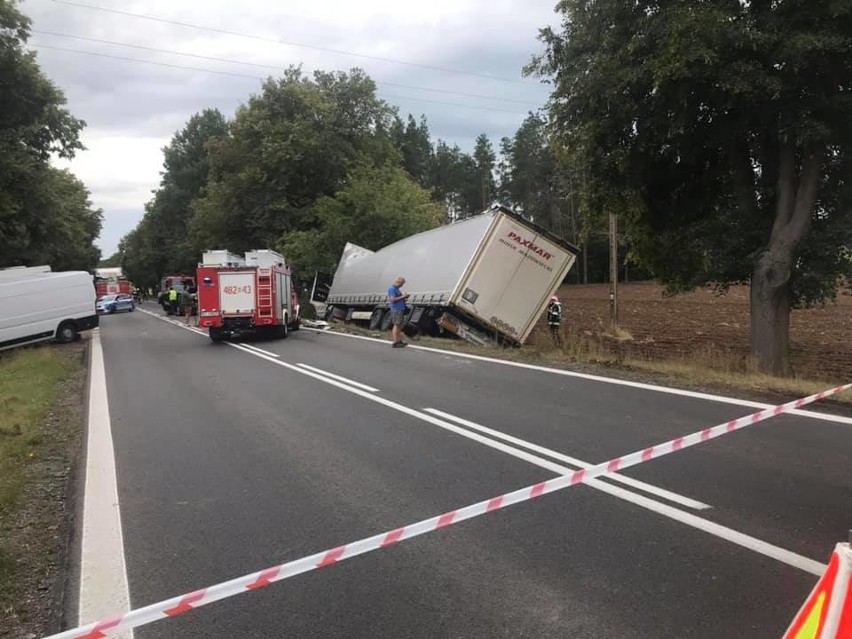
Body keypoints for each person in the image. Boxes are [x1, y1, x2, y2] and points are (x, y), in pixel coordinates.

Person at [387, 276, 410, 348]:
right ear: (398, 282)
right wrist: (403, 296)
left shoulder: (396, 289)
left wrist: (404, 297)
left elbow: (398, 299)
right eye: (402, 284)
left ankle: (399, 340)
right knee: (396, 325)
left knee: (399, 325)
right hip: (396, 309)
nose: (402, 285)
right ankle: (395, 342)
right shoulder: (392, 289)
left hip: (400, 309)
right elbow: (392, 299)